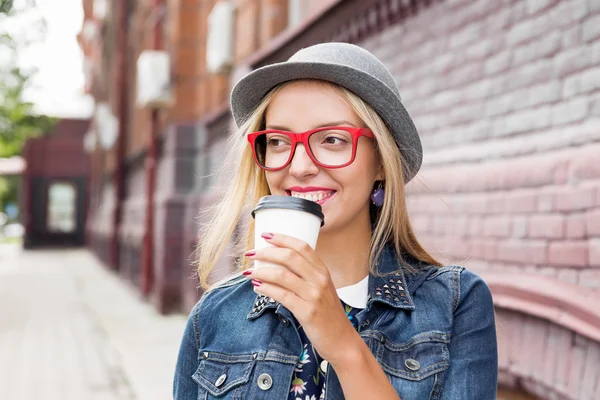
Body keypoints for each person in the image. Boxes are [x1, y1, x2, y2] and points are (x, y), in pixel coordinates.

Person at [173, 42, 498, 400]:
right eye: (279, 141)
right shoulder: (216, 314)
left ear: (381, 162)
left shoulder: (454, 304)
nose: (299, 166)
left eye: (332, 139)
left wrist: (343, 345)